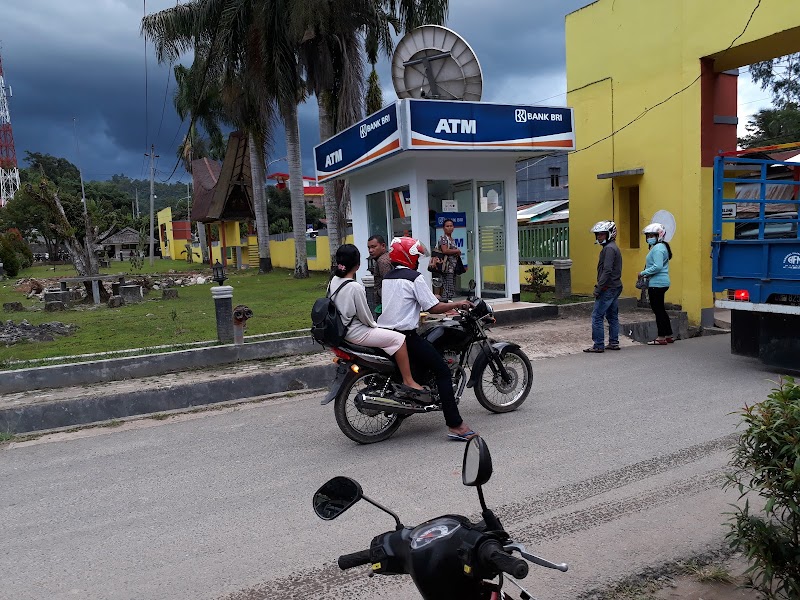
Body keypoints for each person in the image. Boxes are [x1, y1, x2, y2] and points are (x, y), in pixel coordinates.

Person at [377, 236, 477, 441]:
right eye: (415, 256)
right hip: (405, 336)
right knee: (442, 370)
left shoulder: (388, 277)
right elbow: (432, 307)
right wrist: (457, 304)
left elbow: (409, 301)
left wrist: (437, 300)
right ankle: (456, 425)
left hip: (386, 333)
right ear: (407, 256)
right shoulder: (414, 277)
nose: (417, 260)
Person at [329, 244, 426, 396]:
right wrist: (377, 326)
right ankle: (408, 380)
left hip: (342, 330)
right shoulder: (355, 287)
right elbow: (366, 317)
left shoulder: (333, 281)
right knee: (399, 339)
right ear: (357, 265)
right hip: (355, 332)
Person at [584, 220, 623, 353]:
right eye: (598, 234)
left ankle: (598, 344)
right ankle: (613, 342)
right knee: (612, 316)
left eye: (602, 234)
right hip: (615, 286)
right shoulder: (612, 247)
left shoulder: (609, 249)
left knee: (597, 316)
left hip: (608, 288)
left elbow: (607, 270)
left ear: (609, 234)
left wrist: (598, 288)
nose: (599, 237)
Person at [639, 223, 674, 345]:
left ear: (659, 235)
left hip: (657, 283)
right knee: (661, 310)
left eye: (651, 235)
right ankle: (668, 334)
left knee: (658, 310)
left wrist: (643, 272)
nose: (649, 237)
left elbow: (657, 266)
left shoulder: (658, 248)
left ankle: (661, 337)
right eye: (648, 235)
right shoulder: (661, 247)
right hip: (662, 282)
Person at [366, 235, 392, 310]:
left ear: (383, 246)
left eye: (373, 247)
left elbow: (388, 286)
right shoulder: (386, 258)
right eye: (369, 248)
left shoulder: (382, 261)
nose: (370, 250)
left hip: (385, 305)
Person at [438, 219, 461, 301]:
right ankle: (445, 305)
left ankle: (447, 304)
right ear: (443, 228)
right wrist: (457, 251)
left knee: (451, 287)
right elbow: (445, 250)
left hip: (452, 267)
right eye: (447, 226)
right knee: (448, 288)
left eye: (451, 226)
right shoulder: (443, 239)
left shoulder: (451, 239)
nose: (450, 228)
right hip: (447, 268)